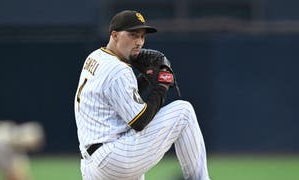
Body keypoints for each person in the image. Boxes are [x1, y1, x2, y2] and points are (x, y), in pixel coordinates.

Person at [74, 10, 210, 180]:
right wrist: (162, 85)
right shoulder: (119, 70)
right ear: (114, 35)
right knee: (184, 112)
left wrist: (145, 79)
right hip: (113, 157)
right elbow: (139, 121)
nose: (139, 42)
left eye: (142, 36)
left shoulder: (95, 57)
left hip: (92, 165)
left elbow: (119, 99)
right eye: (132, 35)